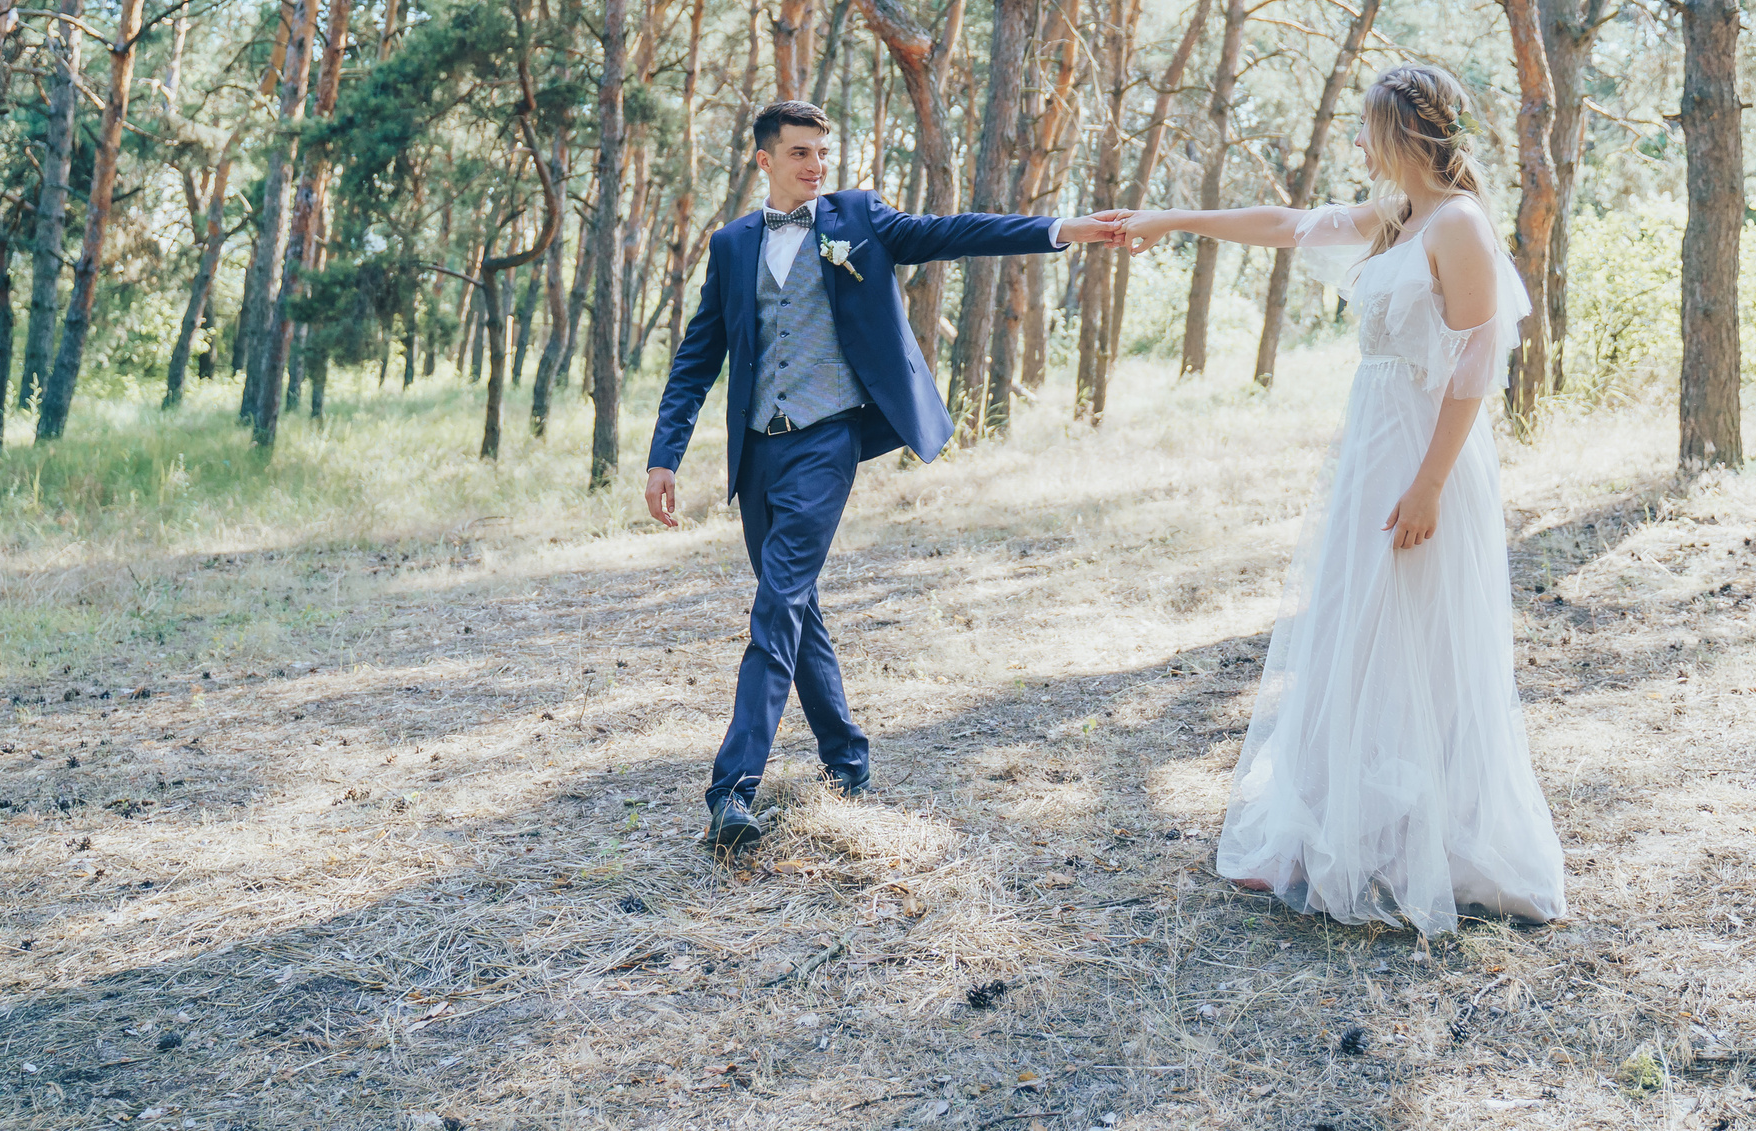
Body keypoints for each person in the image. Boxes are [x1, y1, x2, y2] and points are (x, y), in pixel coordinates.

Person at [1116, 62, 1566, 934]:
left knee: (1415, 631)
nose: (1356, 144)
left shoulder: (1459, 223)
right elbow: (1286, 225)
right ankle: (1344, 829)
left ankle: (1424, 844)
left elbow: (1476, 365)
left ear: (1403, 134)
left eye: (1366, 130)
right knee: (1353, 629)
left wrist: (1430, 482)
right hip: (1372, 443)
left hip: (1424, 456)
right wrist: (1169, 219)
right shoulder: (1399, 216)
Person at [645, 100, 1128, 850]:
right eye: (800, 152)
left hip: (826, 442)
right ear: (764, 160)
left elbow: (954, 233)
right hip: (757, 451)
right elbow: (698, 356)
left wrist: (1063, 229)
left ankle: (730, 791)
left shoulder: (857, 219)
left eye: (822, 153)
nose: (816, 166)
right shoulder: (734, 244)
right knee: (797, 609)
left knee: (775, 607)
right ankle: (848, 761)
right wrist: (663, 454)